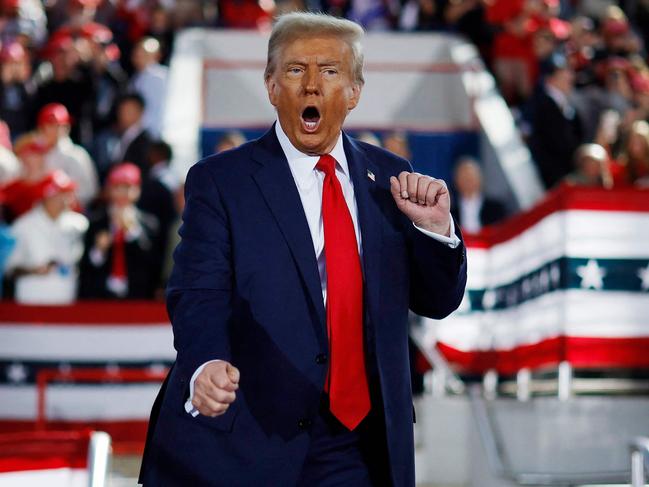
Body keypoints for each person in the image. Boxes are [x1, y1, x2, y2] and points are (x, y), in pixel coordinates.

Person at [139, 12, 467, 487]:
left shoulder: (390, 178)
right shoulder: (221, 181)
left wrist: (437, 232)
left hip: (360, 447)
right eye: (295, 70)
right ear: (272, 87)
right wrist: (206, 362)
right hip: (248, 443)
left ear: (354, 92)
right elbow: (198, 292)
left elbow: (437, 301)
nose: (311, 86)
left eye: (329, 71)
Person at [4, 170, 87, 304]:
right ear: (46, 196)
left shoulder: (80, 224)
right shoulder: (23, 226)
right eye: (60, 194)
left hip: (68, 298)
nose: (66, 199)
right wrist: (34, 270)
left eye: (67, 193)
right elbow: (10, 269)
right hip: (31, 299)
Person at [78, 162, 158, 299]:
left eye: (127, 187)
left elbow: (152, 263)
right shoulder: (96, 222)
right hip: (102, 297)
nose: (122, 193)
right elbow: (87, 266)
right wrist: (99, 249)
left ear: (138, 190)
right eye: (117, 187)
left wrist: (132, 232)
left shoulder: (149, 223)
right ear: (108, 190)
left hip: (137, 296)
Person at [528, 51, 584, 189]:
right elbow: (559, 143)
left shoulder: (565, 104)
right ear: (550, 78)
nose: (570, 76)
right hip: (554, 179)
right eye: (563, 72)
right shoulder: (544, 105)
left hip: (564, 175)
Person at [38, 103, 99, 207]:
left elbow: (89, 191)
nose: (54, 130)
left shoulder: (77, 154)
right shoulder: (35, 152)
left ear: (67, 127)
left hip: (72, 210)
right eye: (49, 125)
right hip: (41, 211)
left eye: (59, 126)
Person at [451, 156, 507, 233]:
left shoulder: (496, 209)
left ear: (480, 178)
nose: (468, 181)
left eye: (471, 176)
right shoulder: (451, 215)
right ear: (456, 181)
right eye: (464, 177)